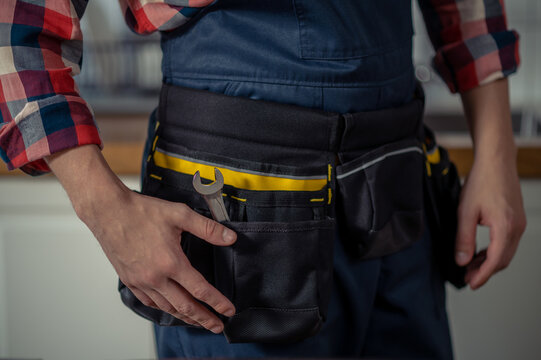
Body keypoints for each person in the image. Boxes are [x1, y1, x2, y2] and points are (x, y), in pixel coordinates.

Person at [0, 0, 526, 358]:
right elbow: (13, 25)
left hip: (395, 189)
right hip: (238, 217)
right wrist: (106, 212)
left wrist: (498, 151)